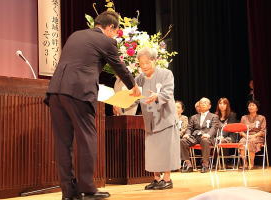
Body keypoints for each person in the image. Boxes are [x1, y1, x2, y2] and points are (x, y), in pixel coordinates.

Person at [44, 11, 141, 200]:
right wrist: (134, 86)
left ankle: (68, 192)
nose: (115, 35)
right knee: (87, 138)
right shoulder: (106, 41)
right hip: (78, 93)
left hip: (55, 91)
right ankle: (88, 189)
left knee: (63, 143)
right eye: (116, 30)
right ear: (111, 27)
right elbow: (119, 66)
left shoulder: (75, 35)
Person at [135, 47, 180, 190]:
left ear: (154, 60)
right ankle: (156, 179)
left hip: (165, 118)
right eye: (141, 63)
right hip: (150, 119)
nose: (144, 66)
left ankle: (167, 179)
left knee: (166, 150)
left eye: (147, 63)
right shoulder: (139, 78)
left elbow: (168, 93)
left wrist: (157, 96)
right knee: (152, 151)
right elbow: (134, 94)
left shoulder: (166, 74)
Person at [180, 97, 219, 173]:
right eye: (201, 103)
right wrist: (187, 134)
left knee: (205, 140)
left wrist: (208, 134)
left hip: (206, 137)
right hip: (195, 137)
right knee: (182, 141)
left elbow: (214, 128)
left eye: (205, 103)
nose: (203, 104)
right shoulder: (194, 117)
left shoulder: (214, 116)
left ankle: (205, 165)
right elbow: (189, 128)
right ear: (199, 105)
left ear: (209, 106)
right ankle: (189, 165)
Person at [239, 100, 266, 170]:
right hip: (246, 136)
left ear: (257, 108)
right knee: (242, 142)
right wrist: (246, 136)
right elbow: (240, 131)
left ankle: (251, 163)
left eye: (253, 105)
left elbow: (263, 131)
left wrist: (254, 136)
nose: (250, 107)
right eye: (249, 105)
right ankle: (245, 163)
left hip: (257, 136)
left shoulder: (261, 118)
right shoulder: (244, 118)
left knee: (251, 141)